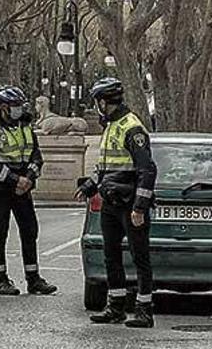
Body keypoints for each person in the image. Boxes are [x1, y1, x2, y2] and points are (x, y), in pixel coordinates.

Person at [75, 77, 157, 328]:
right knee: (111, 255)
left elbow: (147, 170)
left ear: (103, 101)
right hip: (111, 202)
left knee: (139, 257)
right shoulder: (111, 126)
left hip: (130, 202)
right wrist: (89, 187)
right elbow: (105, 167)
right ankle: (116, 307)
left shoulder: (132, 128)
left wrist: (140, 208)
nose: (97, 105)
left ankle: (144, 310)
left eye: (97, 101)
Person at [0, 86, 57, 296]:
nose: (18, 110)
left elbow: (36, 156)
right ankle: (1, 279)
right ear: (2, 107)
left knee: (30, 231)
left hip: (23, 190)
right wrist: (15, 180)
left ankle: (33, 278)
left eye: (20, 106)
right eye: (14, 106)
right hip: (1, 190)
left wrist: (29, 178)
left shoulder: (26, 127)